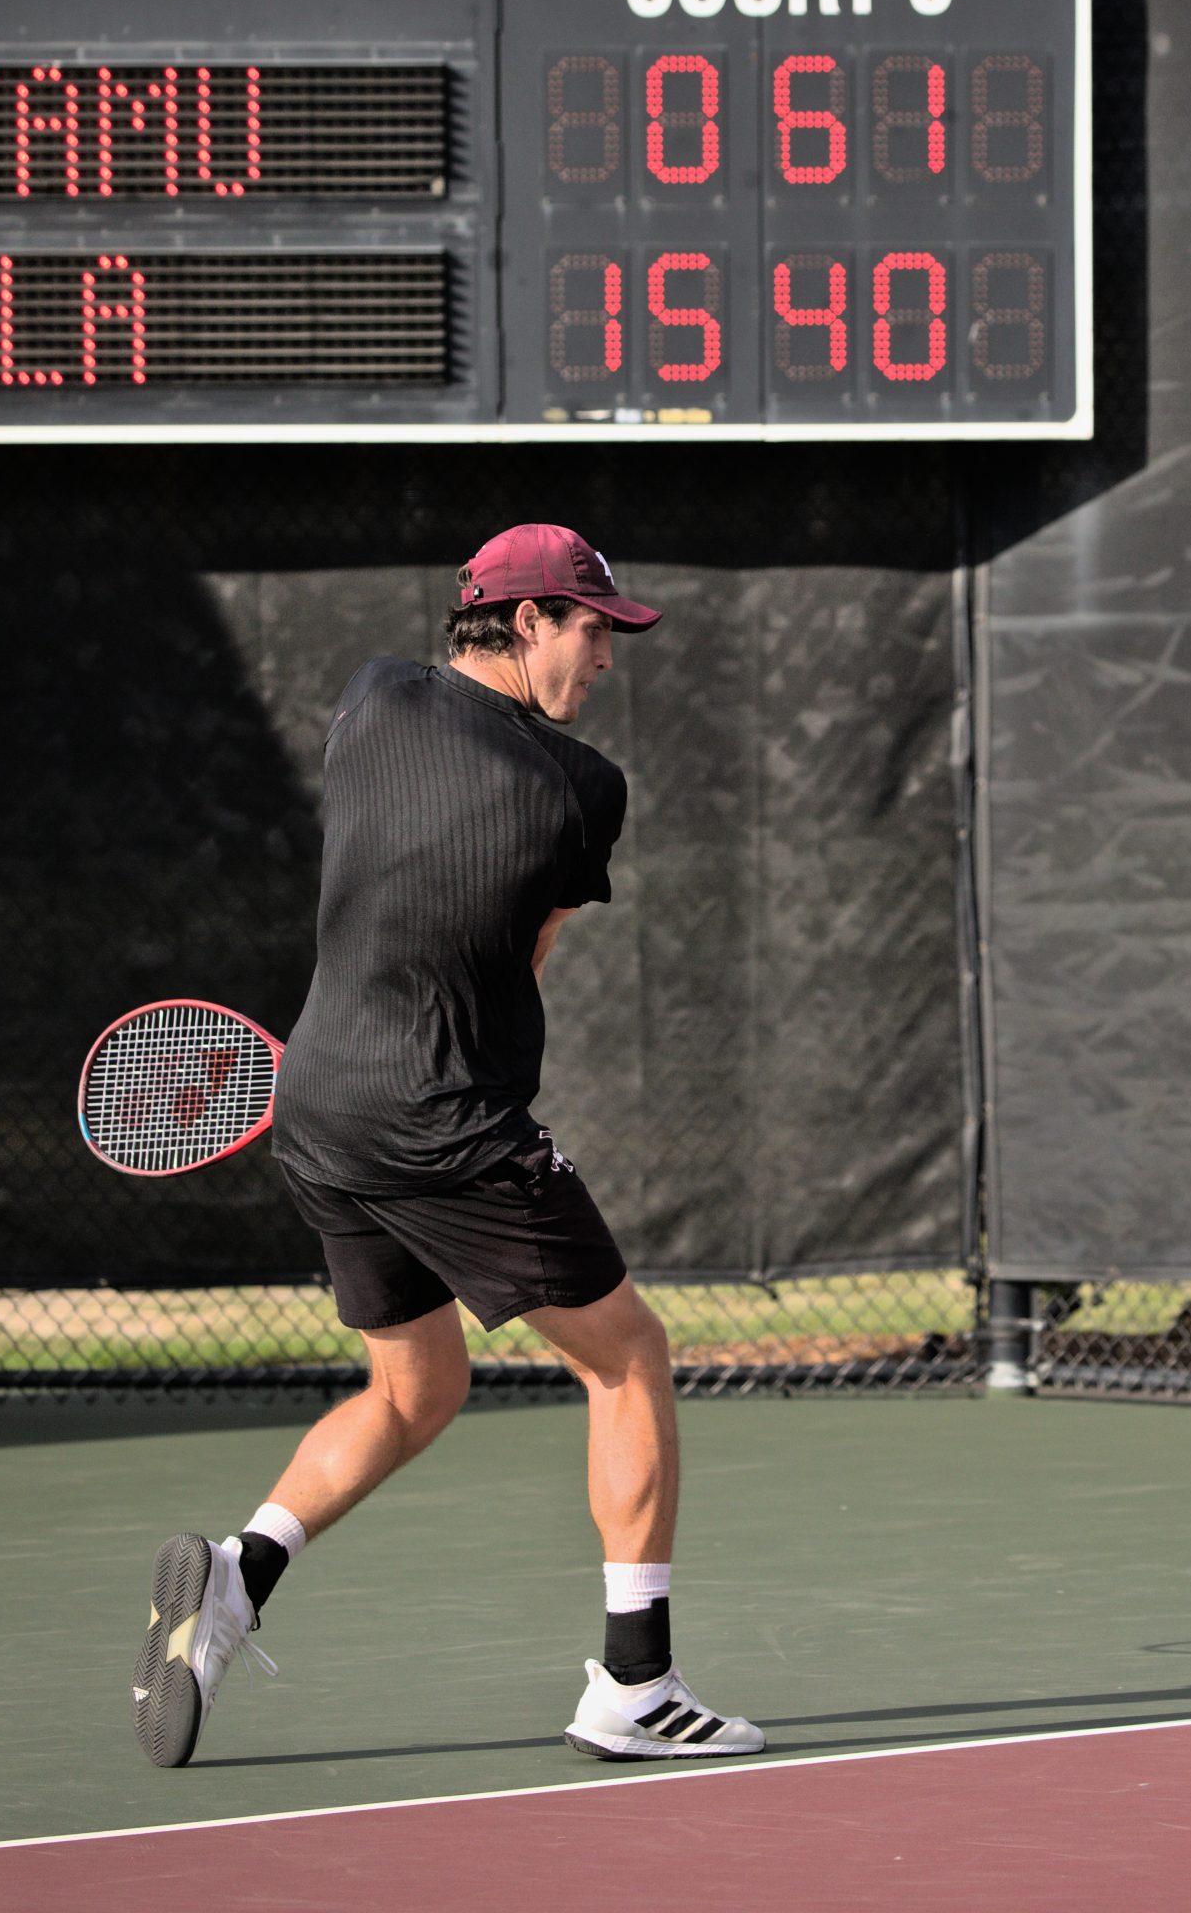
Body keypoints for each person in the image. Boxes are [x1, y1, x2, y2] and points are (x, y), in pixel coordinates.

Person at [132, 522, 762, 1771]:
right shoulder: (583, 789)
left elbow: (400, 879)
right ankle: (635, 1685)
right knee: (629, 1356)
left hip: (317, 1103)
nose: (608, 657)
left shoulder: (372, 695)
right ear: (527, 622)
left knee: (416, 1389)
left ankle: (237, 1576)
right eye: (594, 629)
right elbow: (519, 951)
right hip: (443, 1121)